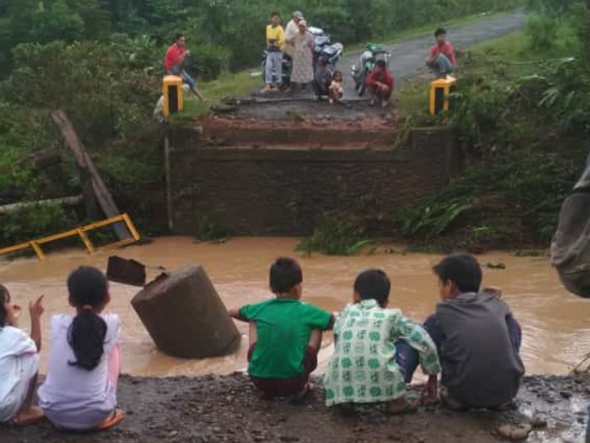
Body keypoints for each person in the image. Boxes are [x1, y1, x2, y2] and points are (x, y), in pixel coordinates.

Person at [398, 254, 525, 409]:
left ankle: (399, 388)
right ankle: (502, 394)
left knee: (419, 332)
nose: (439, 289)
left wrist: (432, 382)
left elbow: (429, 348)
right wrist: (492, 298)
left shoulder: (442, 313)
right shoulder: (498, 305)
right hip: (508, 392)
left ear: (449, 286)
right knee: (513, 324)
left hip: (464, 395)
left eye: (440, 284)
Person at [323, 270, 441, 413]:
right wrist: (432, 377)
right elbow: (424, 341)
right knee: (413, 334)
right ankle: (397, 402)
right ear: (386, 302)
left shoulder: (345, 313)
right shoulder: (391, 316)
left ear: (355, 295)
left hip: (338, 386)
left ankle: (346, 399)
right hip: (384, 384)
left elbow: (339, 338)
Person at [229, 257, 335, 400]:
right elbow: (334, 322)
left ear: (271, 287)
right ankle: (301, 389)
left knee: (253, 319)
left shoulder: (260, 308)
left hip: (259, 380)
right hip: (293, 381)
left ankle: (267, 386)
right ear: (297, 287)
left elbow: (234, 312)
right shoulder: (307, 310)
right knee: (317, 325)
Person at [38, 267, 124, 431]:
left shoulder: (56, 322)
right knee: (113, 348)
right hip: (96, 413)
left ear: (70, 300)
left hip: (52, 411)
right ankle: (107, 413)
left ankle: (65, 419)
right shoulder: (112, 323)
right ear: (107, 297)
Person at [0, 285, 44, 425]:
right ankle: (25, 411)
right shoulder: (10, 334)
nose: (11, 305)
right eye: (7, 301)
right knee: (32, 357)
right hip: (3, 409)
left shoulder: (10, 334)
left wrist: (11, 321)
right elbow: (35, 346)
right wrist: (35, 316)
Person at [164, 33, 207, 102]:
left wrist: (186, 56)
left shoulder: (181, 48)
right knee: (187, 81)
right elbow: (179, 63)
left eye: (183, 41)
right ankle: (183, 85)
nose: (183, 43)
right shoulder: (172, 50)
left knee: (191, 81)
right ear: (176, 41)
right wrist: (184, 55)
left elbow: (182, 63)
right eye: (181, 41)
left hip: (178, 68)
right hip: (171, 69)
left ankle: (201, 99)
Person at [263, 12, 285, 93]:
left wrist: (274, 43)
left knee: (277, 68)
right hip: (270, 50)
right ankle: (268, 85)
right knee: (268, 67)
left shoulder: (280, 29)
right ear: (271, 19)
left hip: (277, 50)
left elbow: (282, 40)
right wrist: (268, 43)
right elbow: (267, 37)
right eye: (274, 18)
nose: (276, 20)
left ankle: (278, 86)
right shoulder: (268, 27)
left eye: (277, 18)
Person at [290, 20, 314, 91]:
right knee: (295, 70)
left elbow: (313, 45)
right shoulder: (296, 34)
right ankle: (293, 87)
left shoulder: (309, 35)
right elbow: (290, 42)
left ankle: (304, 86)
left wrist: (310, 46)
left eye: (303, 26)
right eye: (300, 26)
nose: (301, 28)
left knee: (306, 70)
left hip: (306, 56)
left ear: (305, 27)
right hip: (297, 56)